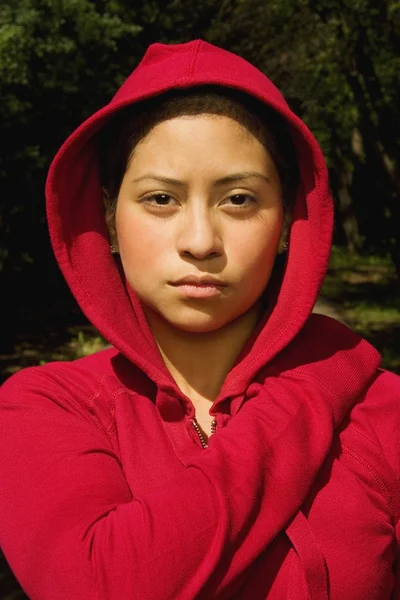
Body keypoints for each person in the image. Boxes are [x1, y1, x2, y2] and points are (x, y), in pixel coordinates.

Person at [0, 39, 399, 600]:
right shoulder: (46, 405)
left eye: (238, 199)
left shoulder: (383, 412)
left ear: (287, 221)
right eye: (161, 199)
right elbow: (96, 586)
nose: (200, 241)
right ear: (110, 222)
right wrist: (316, 380)